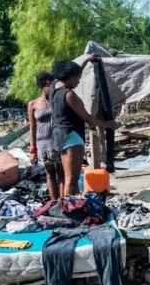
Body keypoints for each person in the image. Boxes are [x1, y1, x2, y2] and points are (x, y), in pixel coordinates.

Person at [50, 55, 117, 197]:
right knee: (71, 180)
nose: (79, 81)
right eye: (78, 78)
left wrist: (86, 60)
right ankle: (70, 210)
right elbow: (87, 117)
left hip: (59, 135)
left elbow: (73, 72)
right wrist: (106, 125)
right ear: (70, 77)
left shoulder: (54, 87)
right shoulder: (69, 95)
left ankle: (71, 205)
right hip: (72, 136)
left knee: (68, 178)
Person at [28, 71, 63, 200]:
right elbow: (32, 128)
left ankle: (63, 202)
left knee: (62, 174)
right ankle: (54, 202)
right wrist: (33, 149)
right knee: (50, 175)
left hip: (58, 141)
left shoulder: (57, 100)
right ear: (42, 86)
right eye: (49, 85)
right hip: (43, 143)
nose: (51, 87)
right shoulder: (33, 104)